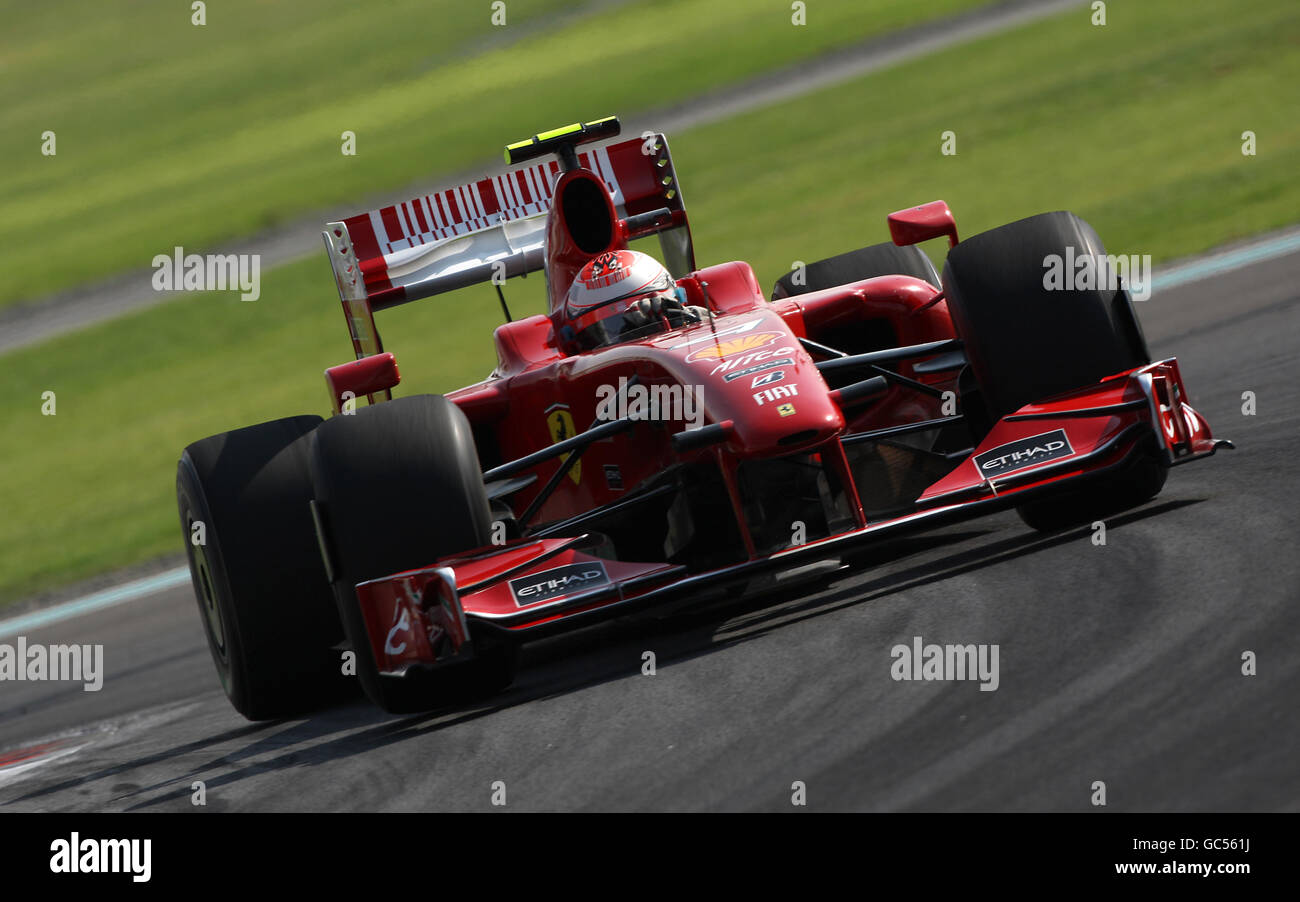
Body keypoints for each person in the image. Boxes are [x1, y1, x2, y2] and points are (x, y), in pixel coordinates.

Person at [559, 250, 709, 351]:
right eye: (613, 326)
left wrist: (697, 324)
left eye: (648, 318)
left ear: (675, 302)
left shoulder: (700, 320)